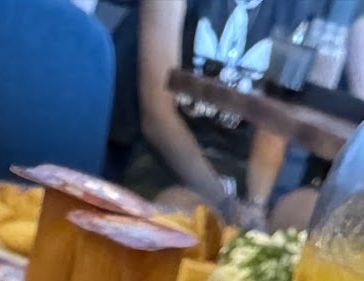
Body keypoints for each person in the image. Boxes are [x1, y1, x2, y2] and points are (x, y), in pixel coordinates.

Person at [99, 0, 309, 220]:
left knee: (311, 213)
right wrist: (224, 203)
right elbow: (157, 118)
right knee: (184, 213)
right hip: (165, 161)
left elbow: (274, 125)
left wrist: (256, 205)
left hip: (242, 171)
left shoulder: (294, 7)